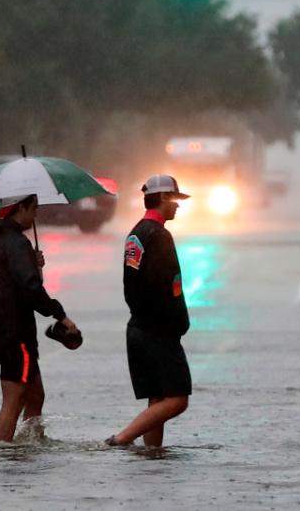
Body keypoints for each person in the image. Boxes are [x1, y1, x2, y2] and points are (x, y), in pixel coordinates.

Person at [0, 194, 78, 443]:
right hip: (16, 335)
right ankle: (2, 451)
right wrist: (59, 314)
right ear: (20, 207)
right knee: (15, 396)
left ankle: (31, 444)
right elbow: (30, 288)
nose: (35, 215)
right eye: (33, 209)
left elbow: (10, 281)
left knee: (35, 395)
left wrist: (32, 264)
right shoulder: (16, 243)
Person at [107, 175, 192, 448]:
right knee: (178, 399)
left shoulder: (136, 234)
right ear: (164, 198)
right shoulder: (159, 236)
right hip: (158, 330)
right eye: (176, 200)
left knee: (157, 398)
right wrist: (179, 322)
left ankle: (152, 453)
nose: (178, 206)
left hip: (139, 327)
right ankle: (122, 438)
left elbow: (131, 285)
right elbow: (169, 286)